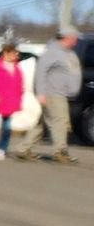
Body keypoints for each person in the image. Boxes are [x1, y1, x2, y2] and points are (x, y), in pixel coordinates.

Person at [27, 29, 81, 164]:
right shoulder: (52, 52)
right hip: (53, 93)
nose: (76, 41)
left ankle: (24, 149)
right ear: (66, 38)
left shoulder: (67, 53)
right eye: (74, 38)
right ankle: (60, 152)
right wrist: (41, 93)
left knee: (44, 124)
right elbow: (41, 72)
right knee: (60, 122)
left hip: (62, 94)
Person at [0, 41, 26, 160]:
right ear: (5, 53)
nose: (16, 55)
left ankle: (2, 148)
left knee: (7, 127)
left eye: (17, 53)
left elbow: (19, 86)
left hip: (9, 102)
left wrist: (18, 98)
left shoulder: (17, 69)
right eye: (14, 53)